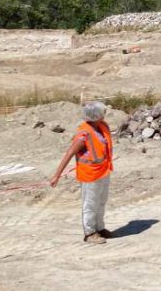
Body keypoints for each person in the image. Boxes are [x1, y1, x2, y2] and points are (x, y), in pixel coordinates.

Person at [49, 101, 114, 244]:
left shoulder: (102, 126)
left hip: (103, 170)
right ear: (96, 115)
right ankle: (90, 233)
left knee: (101, 202)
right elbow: (69, 153)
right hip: (90, 174)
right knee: (90, 204)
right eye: (103, 112)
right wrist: (56, 176)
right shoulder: (83, 133)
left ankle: (100, 228)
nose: (105, 113)